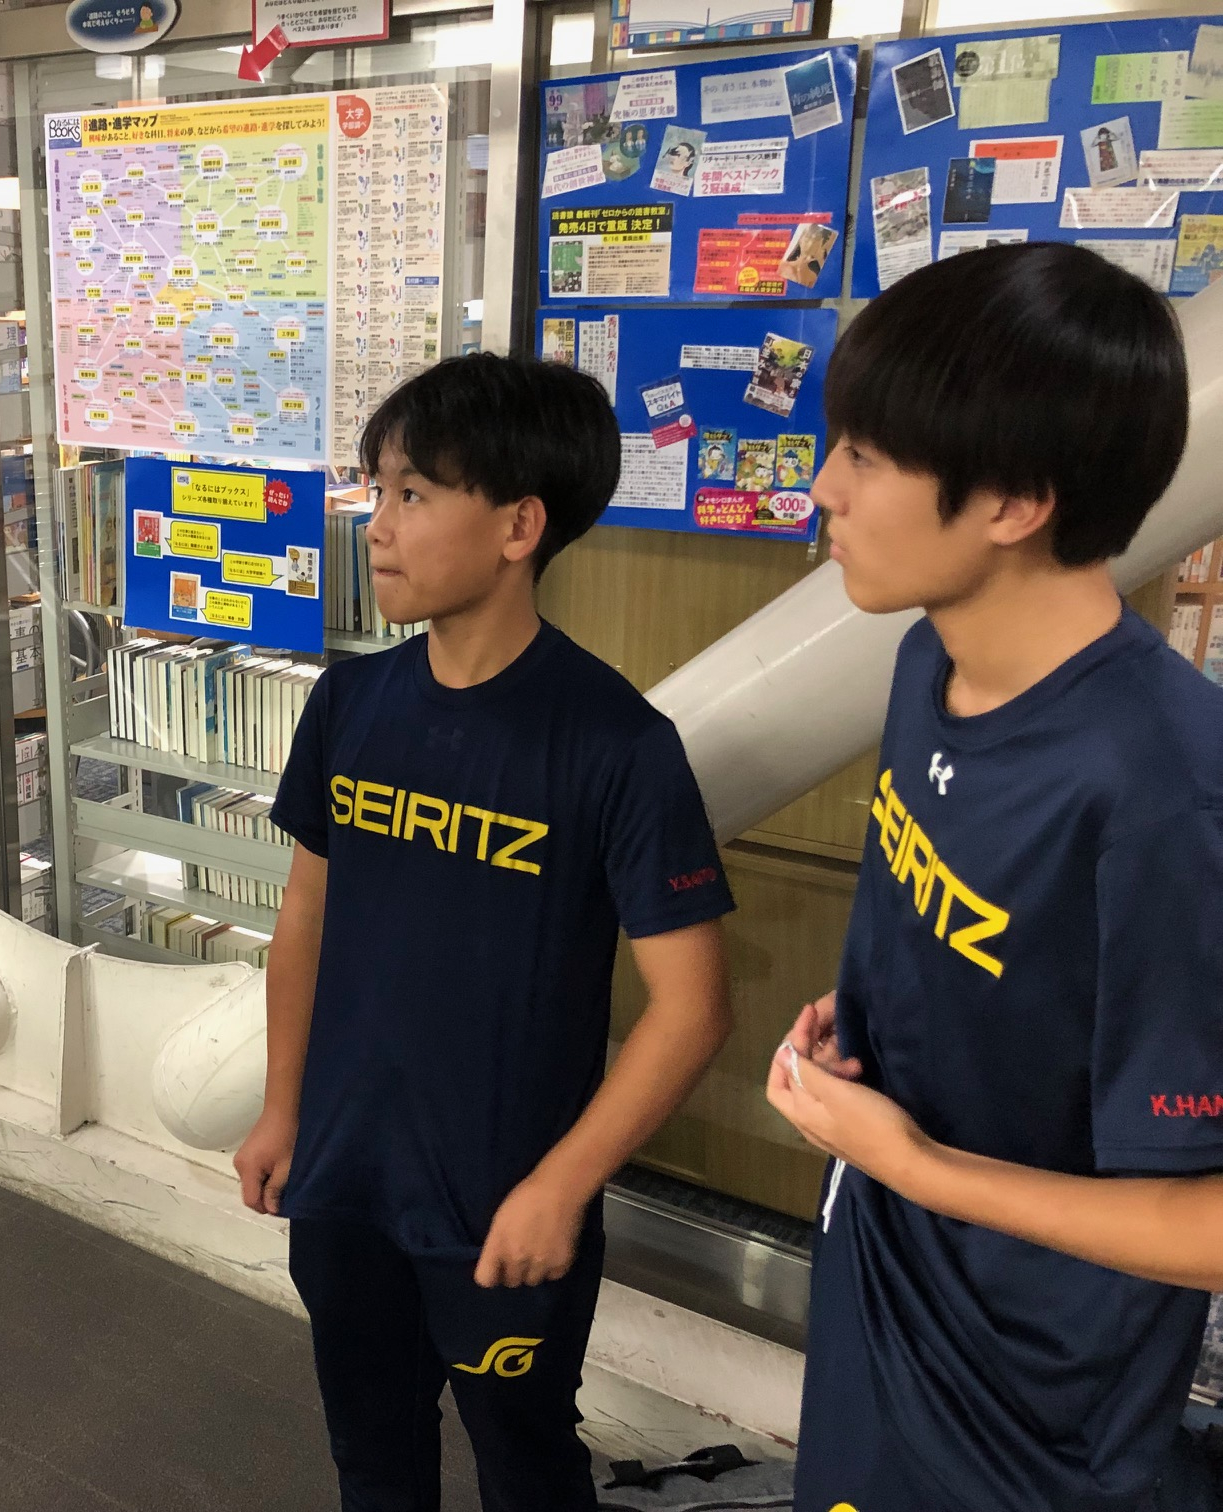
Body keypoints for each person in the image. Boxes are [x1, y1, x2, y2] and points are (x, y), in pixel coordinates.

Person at [234, 353, 736, 1511]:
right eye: (377, 490)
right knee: (372, 1460)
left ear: (519, 526)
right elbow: (306, 912)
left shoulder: (618, 745)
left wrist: (564, 1185)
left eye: (413, 494)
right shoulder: (350, 704)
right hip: (345, 1180)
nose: (376, 525)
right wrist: (282, 1104)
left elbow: (695, 1008)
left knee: (527, 1468)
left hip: (503, 1206)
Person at [763, 242, 1220, 1512]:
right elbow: (999, 954)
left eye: (865, 455)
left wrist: (918, 1166)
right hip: (881, 1274)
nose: (822, 487)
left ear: (1015, 501)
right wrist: (872, 1020)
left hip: (1033, 1409)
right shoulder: (928, 660)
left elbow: (1208, 1226)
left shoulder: (1166, 792)